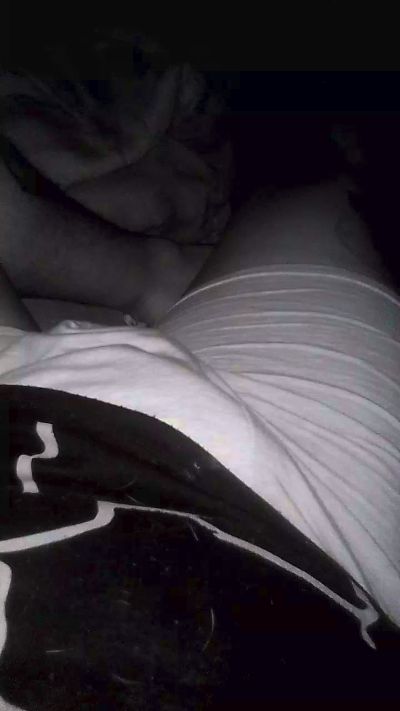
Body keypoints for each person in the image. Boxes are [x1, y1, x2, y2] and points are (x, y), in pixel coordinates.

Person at [0, 132, 400, 708]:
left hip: (25, 437)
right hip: (287, 520)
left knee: (310, 169)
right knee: (328, 174)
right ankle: (147, 269)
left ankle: (147, 270)